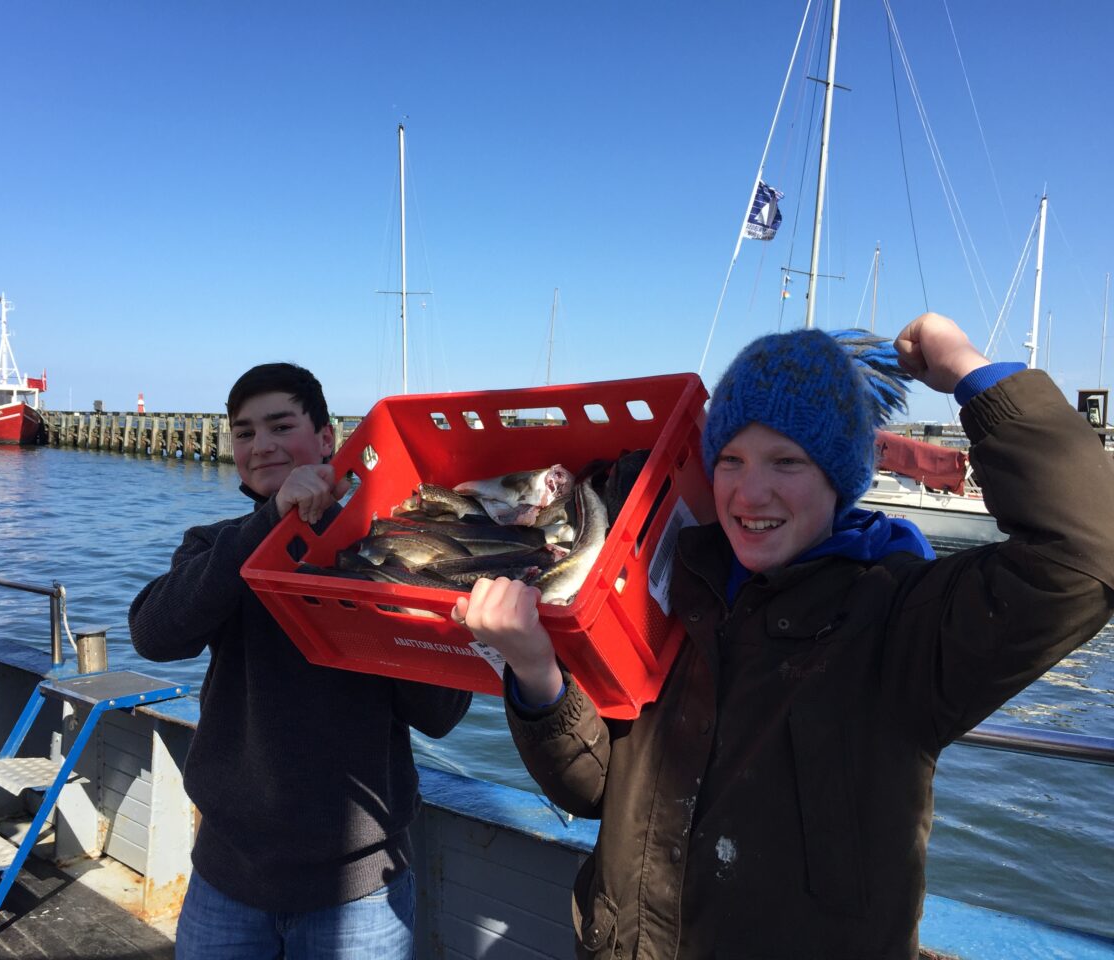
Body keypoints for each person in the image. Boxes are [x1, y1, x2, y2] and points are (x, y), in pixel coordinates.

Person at [452, 313, 1114, 959]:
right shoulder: (678, 588)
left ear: (840, 479)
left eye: (787, 462)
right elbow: (594, 791)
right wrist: (537, 674)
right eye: (731, 459)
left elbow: (1086, 554)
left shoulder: (905, 619)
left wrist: (971, 370)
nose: (750, 492)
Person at [130, 362, 472, 960]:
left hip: (360, 889)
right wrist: (271, 524)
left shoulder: (389, 553)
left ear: (326, 439)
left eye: (280, 426)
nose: (261, 446)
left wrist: (394, 603)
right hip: (225, 873)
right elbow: (155, 634)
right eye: (243, 432)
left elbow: (441, 711)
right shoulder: (213, 545)